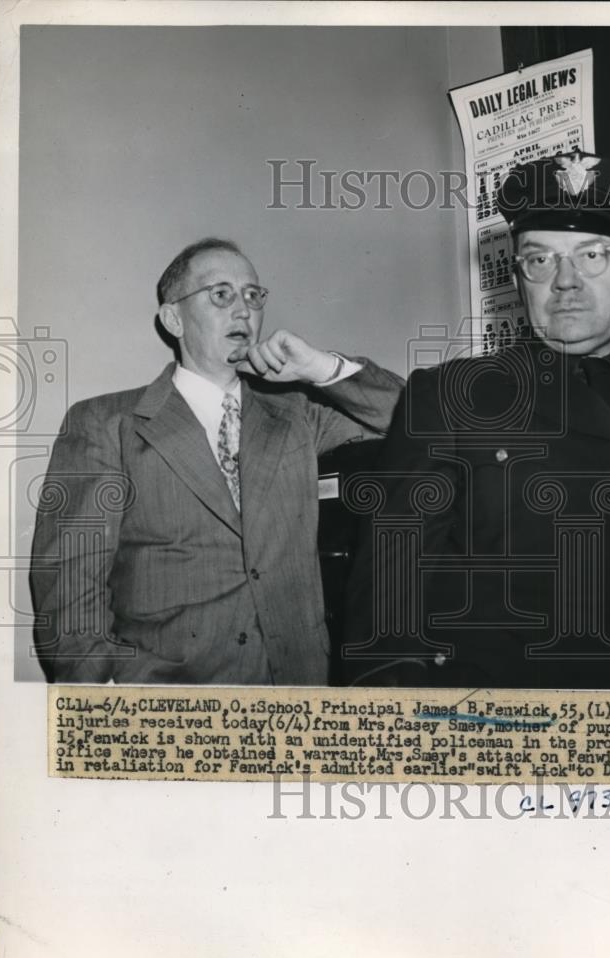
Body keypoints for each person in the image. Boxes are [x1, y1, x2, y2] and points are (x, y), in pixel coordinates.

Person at [343, 152, 610, 690]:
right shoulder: (448, 399)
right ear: (519, 280)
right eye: (539, 260)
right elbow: (385, 619)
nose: (565, 282)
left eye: (593, 256)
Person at [30, 237, 403, 685]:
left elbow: (412, 419)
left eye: (252, 295)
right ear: (173, 318)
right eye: (221, 295)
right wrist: (104, 703)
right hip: (169, 709)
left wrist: (319, 368)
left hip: (300, 698)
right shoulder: (106, 423)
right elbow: (69, 590)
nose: (243, 310)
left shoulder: (298, 415)